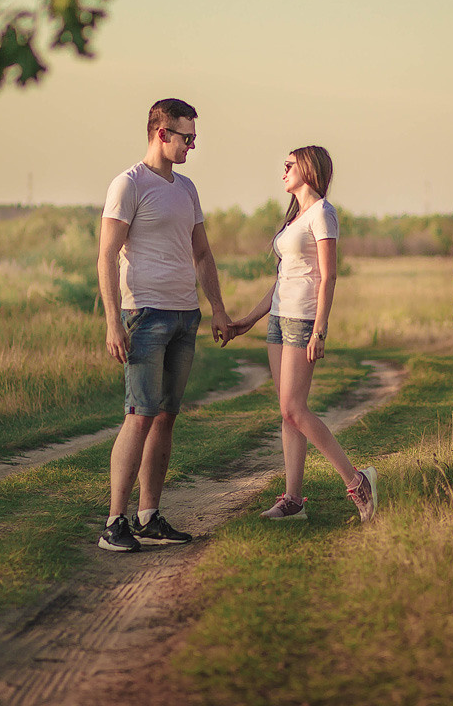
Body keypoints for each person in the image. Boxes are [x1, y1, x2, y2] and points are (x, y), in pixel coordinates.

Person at [96, 98, 232, 553]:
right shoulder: (128, 184)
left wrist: (217, 307)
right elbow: (106, 256)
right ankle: (114, 523)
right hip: (145, 316)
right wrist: (114, 323)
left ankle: (149, 516)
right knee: (139, 415)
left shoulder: (187, 187)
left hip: (184, 316)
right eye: (186, 137)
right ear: (161, 133)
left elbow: (202, 254)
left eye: (194, 138)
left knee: (166, 418)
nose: (192, 145)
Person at [229, 146, 377, 523]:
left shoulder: (323, 213)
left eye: (289, 165)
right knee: (287, 413)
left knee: (295, 409)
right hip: (278, 319)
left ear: (307, 169)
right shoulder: (296, 218)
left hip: (302, 321)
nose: (283, 172)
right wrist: (248, 320)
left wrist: (320, 330)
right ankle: (293, 501)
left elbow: (329, 276)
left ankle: (357, 483)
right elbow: (282, 281)